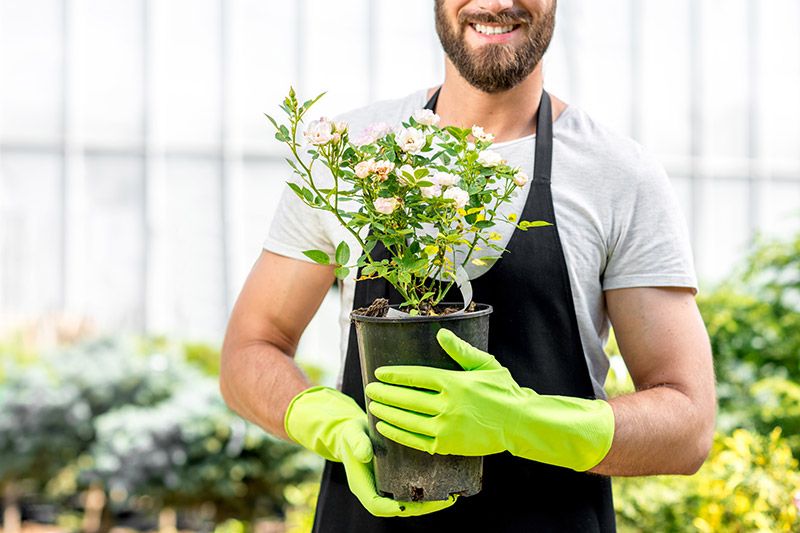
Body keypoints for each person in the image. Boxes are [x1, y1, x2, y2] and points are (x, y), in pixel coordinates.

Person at [220, 0, 716, 531]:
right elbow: (251, 349)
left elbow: (687, 425)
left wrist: (523, 423)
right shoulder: (348, 159)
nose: (497, 3)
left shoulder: (618, 175)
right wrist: (318, 417)